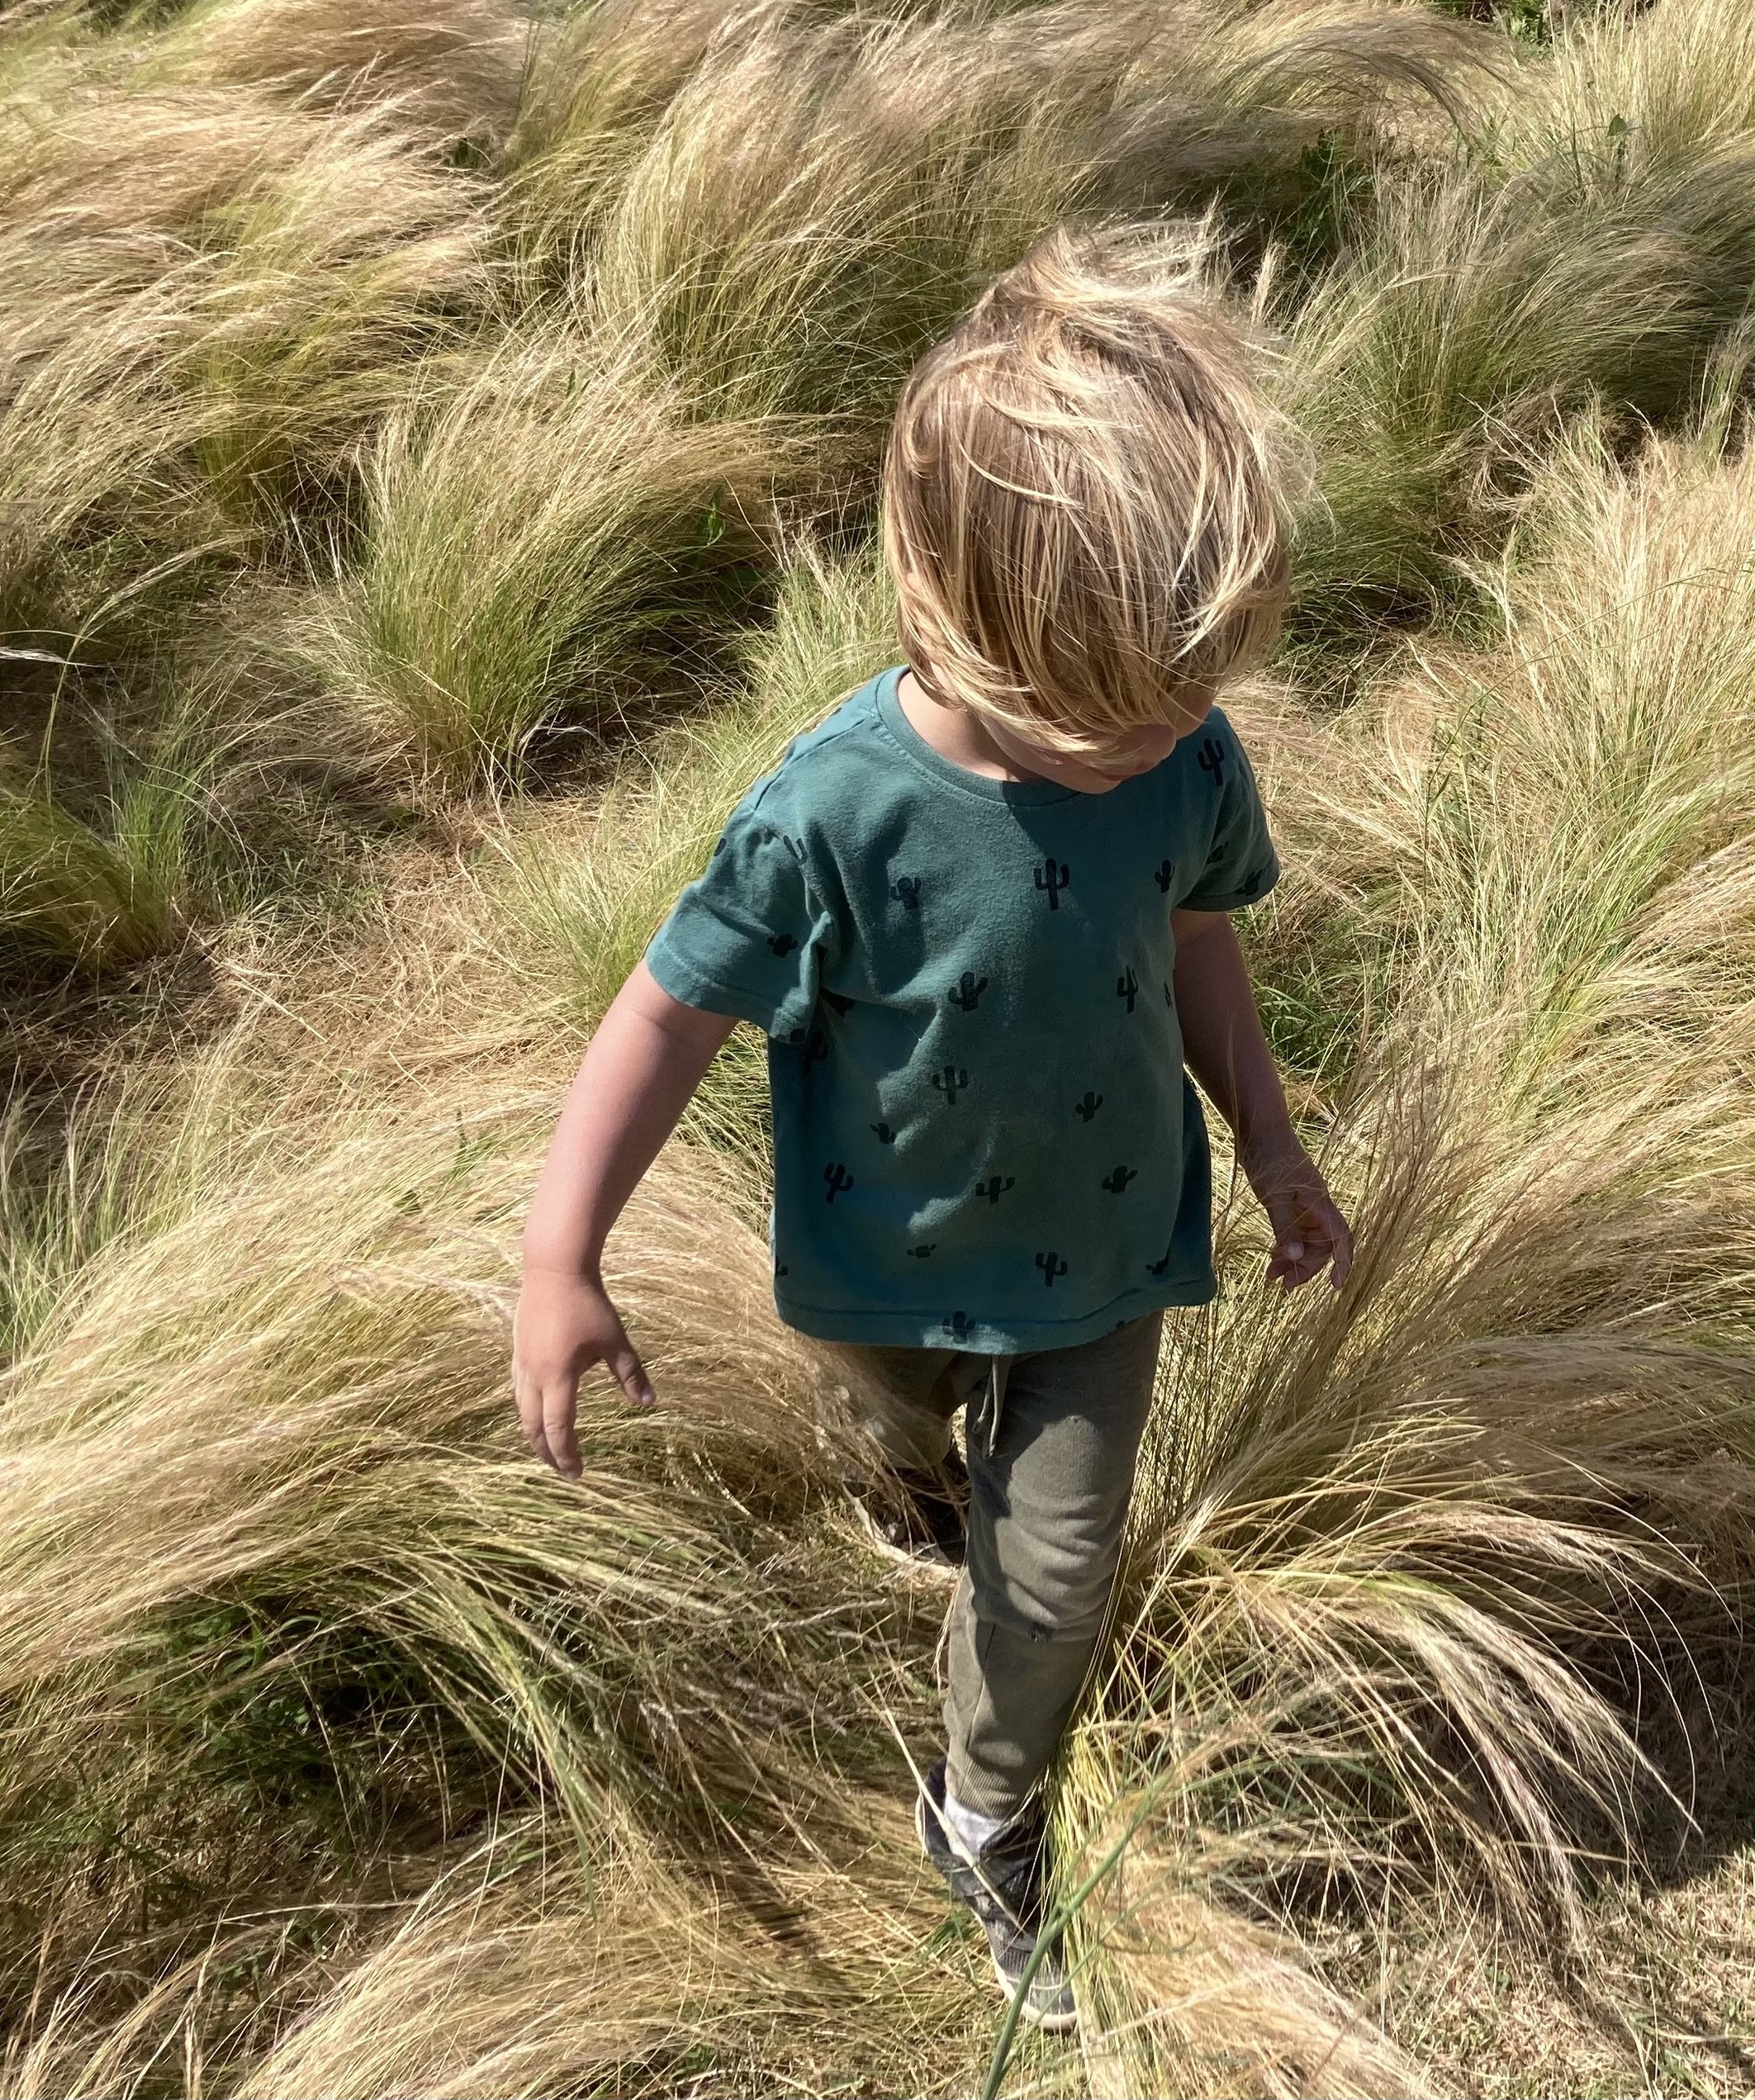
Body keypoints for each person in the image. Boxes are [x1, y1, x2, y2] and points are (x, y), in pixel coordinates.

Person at [509, 220, 1353, 2036]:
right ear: (962, 625)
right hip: (876, 1264)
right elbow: (667, 1010)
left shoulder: (1183, 754)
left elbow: (1197, 941)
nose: (1175, 737)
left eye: (1192, 695)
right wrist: (562, 1255)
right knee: (904, 1451)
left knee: (1051, 1566)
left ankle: (982, 1808)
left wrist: (1271, 1142)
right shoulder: (832, 817)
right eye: (1120, 711)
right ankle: (914, 1496)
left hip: (1108, 1253)